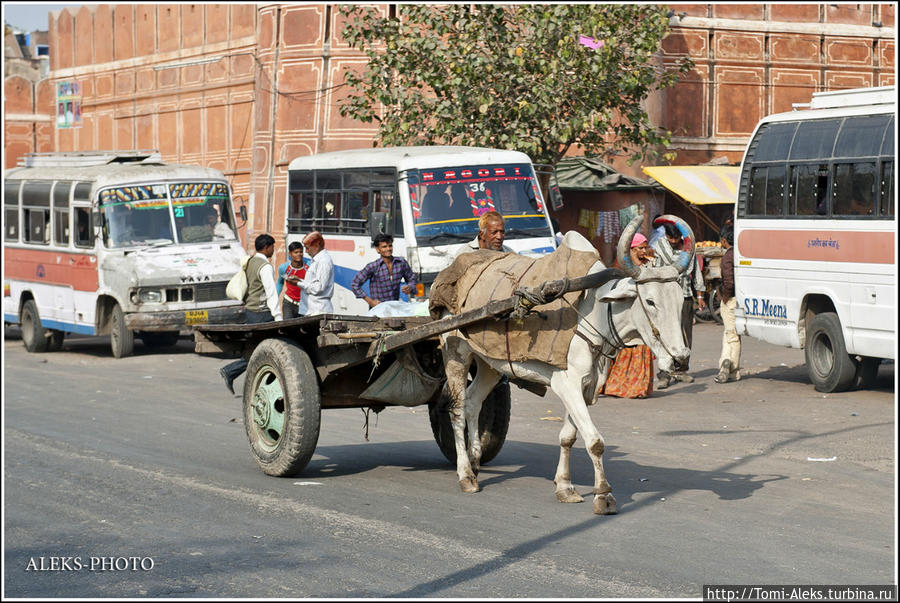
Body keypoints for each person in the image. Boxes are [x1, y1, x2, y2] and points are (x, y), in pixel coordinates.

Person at [219, 234, 282, 395]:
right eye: (272, 247)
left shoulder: (251, 261)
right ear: (267, 247)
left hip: (251, 310)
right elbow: (271, 293)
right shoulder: (265, 266)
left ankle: (234, 373)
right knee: (266, 350)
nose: (273, 250)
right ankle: (231, 371)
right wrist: (278, 317)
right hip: (262, 312)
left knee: (258, 349)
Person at [600, 232, 656, 398]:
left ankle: (638, 387)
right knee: (622, 350)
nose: (644, 251)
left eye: (645, 247)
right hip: (624, 316)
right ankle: (614, 385)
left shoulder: (650, 265)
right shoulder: (620, 267)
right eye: (640, 248)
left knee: (641, 348)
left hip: (643, 316)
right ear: (631, 250)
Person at [651, 220, 705, 389]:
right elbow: (656, 271)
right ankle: (665, 373)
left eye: (676, 238)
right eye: (670, 238)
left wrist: (700, 294)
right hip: (666, 297)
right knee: (665, 335)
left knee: (685, 334)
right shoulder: (659, 247)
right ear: (666, 236)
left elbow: (695, 270)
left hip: (686, 296)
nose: (674, 241)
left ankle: (681, 370)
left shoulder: (688, 248)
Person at [351, 233, 417, 308]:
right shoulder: (373, 266)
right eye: (384, 247)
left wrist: (410, 287)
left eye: (390, 246)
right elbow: (355, 284)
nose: (388, 249)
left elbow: (412, 278)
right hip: (378, 310)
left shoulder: (401, 263)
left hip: (394, 308)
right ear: (378, 250)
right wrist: (370, 302)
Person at [715, 223, 741, 383]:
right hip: (740, 298)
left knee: (732, 335)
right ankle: (728, 365)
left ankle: (730, 367)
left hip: (730, 300)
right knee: (730, 333)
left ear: (724, 240)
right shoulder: (738, 254)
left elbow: (729, 283)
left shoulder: (727, 258)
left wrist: (724, 297)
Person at [297, 231, 335, 314]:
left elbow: (318, 288)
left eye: (307, 248)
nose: (306, 252)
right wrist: (299, 281)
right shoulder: (317, 260)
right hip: (312, 310)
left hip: (318, 311)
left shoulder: (323, 261)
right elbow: (313, 283)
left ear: (317, 245)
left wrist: (298, 283)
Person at [277, 241, 309, 319]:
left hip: (304, 304)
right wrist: (275, 299)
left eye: (301, 252)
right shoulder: (284, 268)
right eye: (296, 252)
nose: (299, 254)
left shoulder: (309, 266)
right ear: (290, 254)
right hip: (288, 303)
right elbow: (280, 283)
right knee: (288, 328)